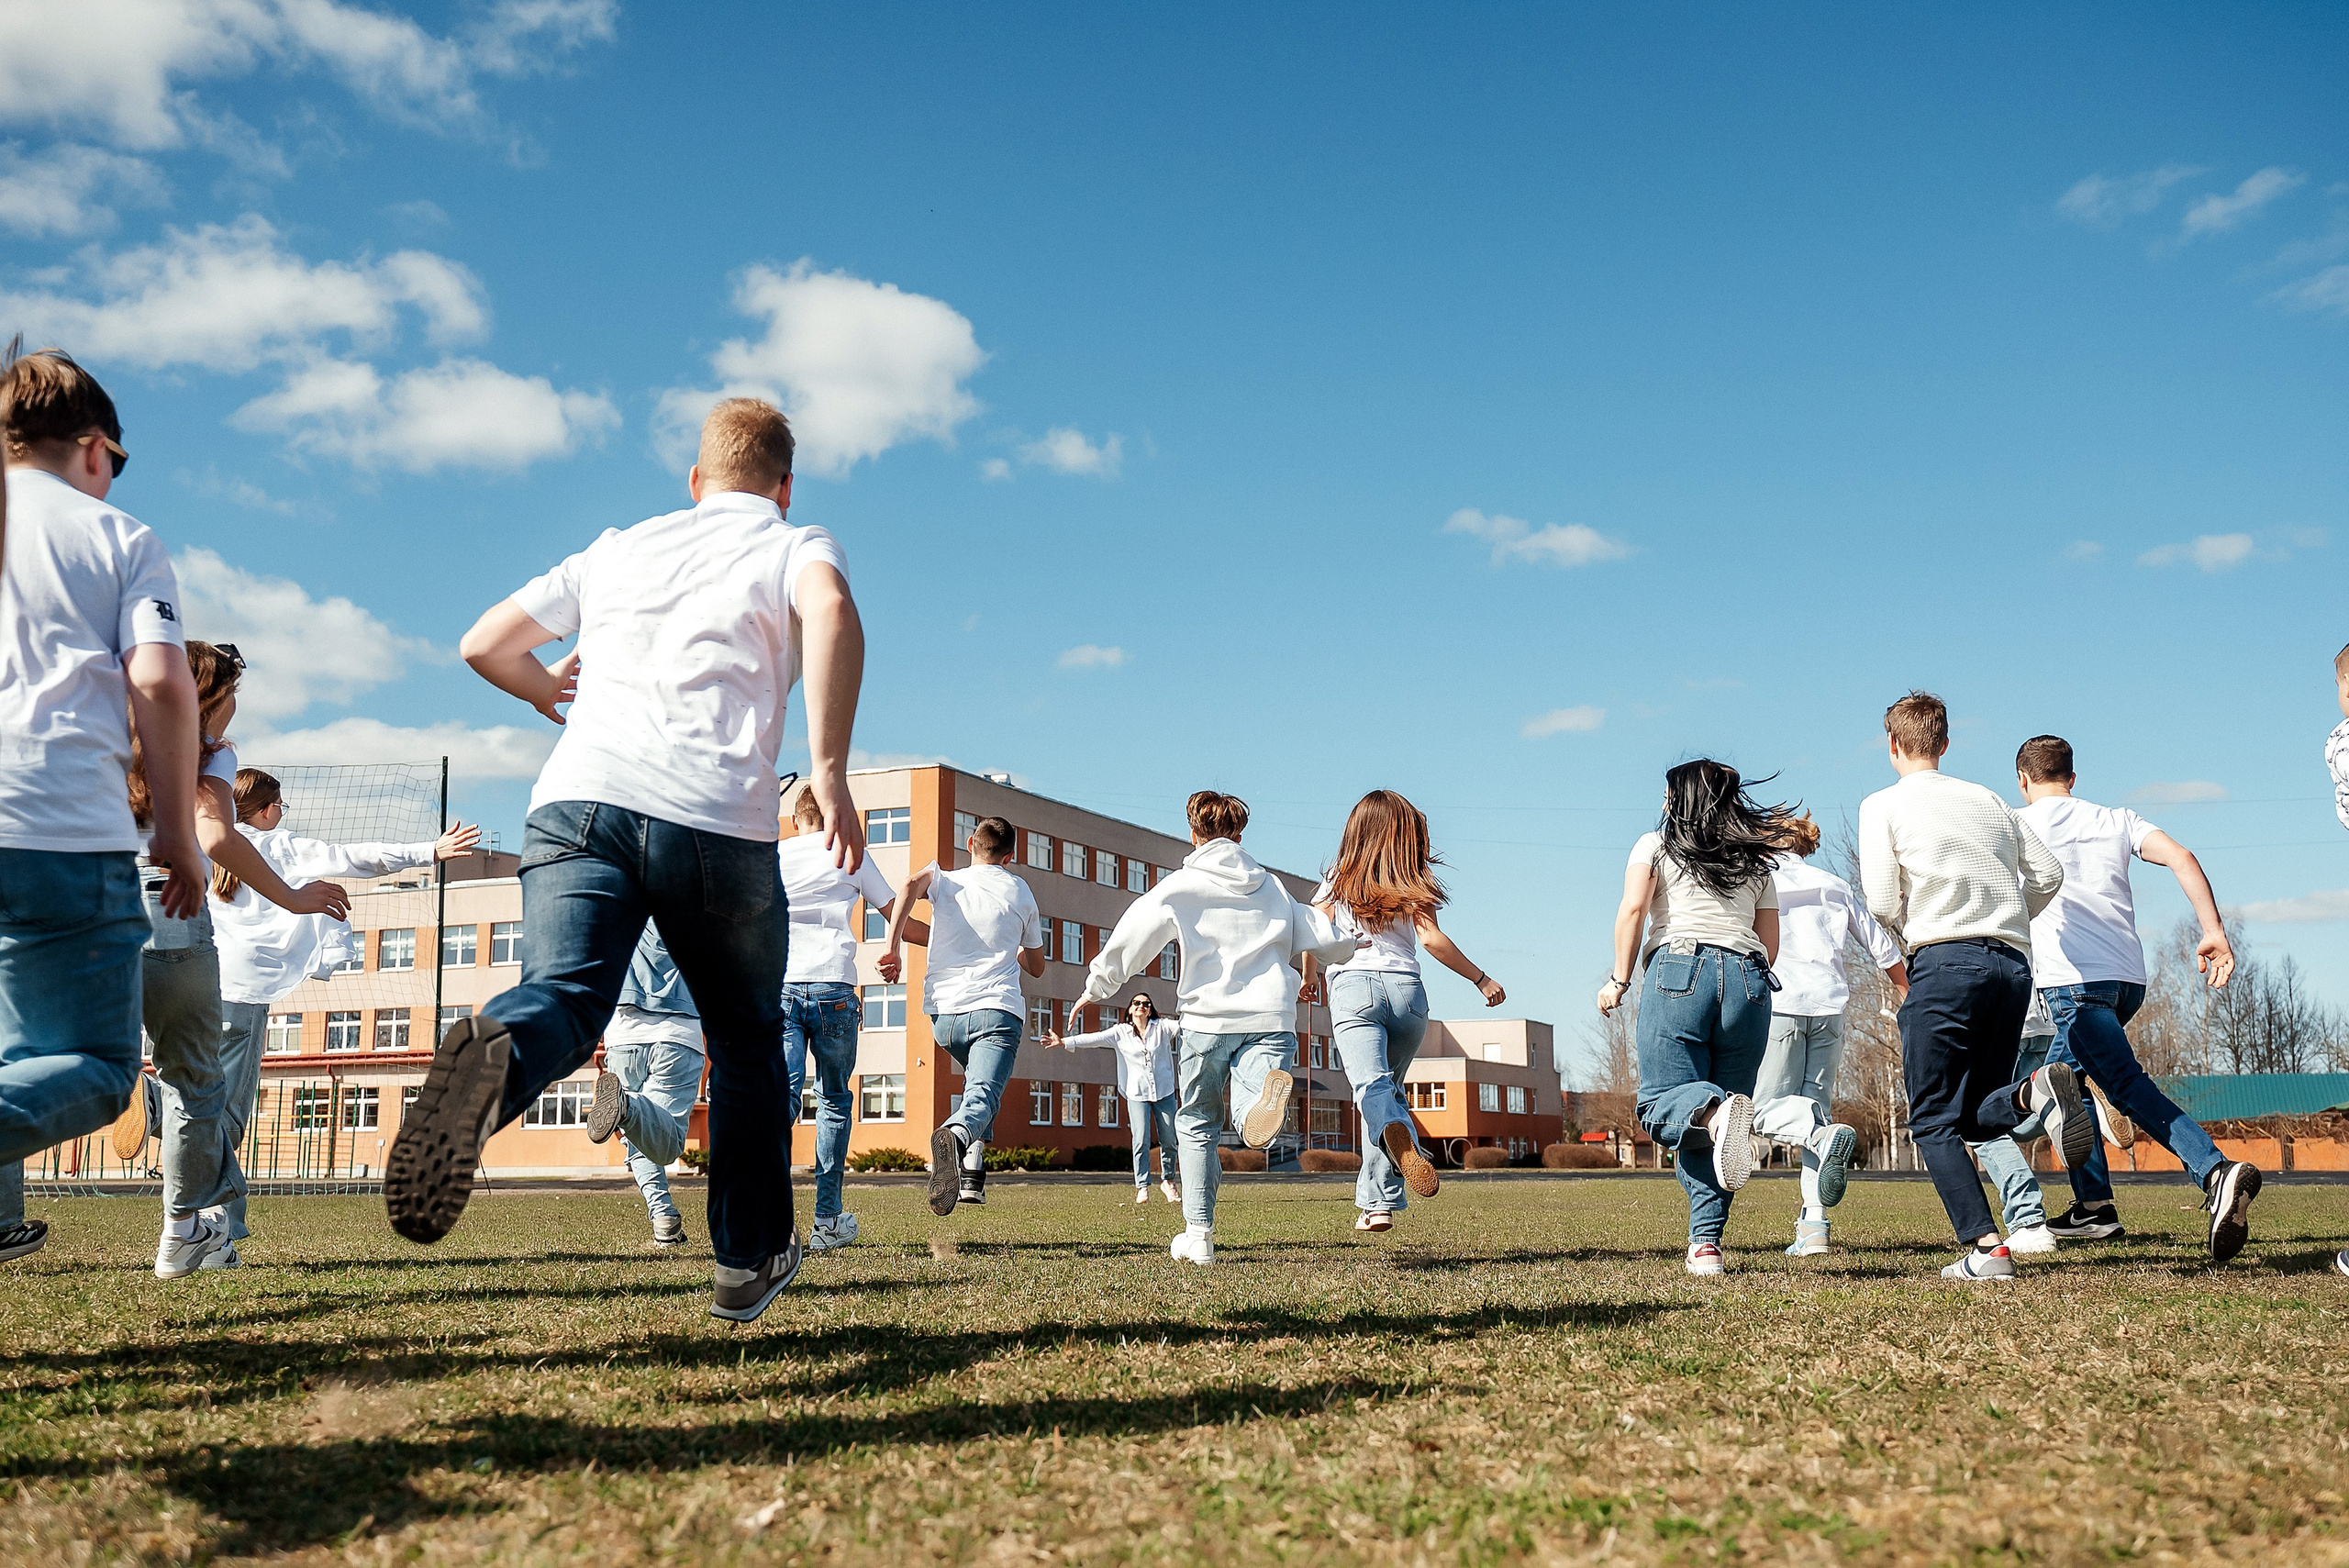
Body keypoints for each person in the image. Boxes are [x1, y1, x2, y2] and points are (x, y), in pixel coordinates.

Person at [388, 396, 866, 1327]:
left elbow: (482, 642)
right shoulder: (794, 542)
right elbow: (834, 612)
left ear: (694, 482)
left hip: (575, 801)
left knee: (566, 998)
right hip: (713, 818)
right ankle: (745, 1259)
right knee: (741, 1037)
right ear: (784, 484)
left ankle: (493, 1060)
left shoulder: (616, 545)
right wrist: (834, 772)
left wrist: (542, 690)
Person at [0, 347, 204, 1267]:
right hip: (56, 828)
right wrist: (173, 829)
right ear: (94, 447)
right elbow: (162, 681)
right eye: (115, 467)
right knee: (96, 1068)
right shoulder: (117, 538)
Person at [127, 642, 352, 1277]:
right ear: (212, 699)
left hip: (97, 904)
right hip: (173, 908)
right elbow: (217, 836)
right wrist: (295, 897)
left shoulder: (116, 734)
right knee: (196, 1083)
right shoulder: (213, 753)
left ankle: (128, 1092)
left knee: (87, 1063)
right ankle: (181, 1233)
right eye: (232, 699)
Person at [1069, 791, 1355, 1265]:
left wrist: (1096, 987)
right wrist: (1348, 947)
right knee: (1251, 1098)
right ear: (1240, 836)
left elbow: (1132, 936)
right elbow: (1317, 932)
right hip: (1271, 1018)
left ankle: (1198, 1235)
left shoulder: (1181, 886)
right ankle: (1254, 1114)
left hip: (1206, 1019)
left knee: (1198, 1120)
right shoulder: (1272, 887)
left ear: (1193, 833)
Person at [1857, 691, 2083, 1283]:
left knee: (1932, 1118)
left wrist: (1926, 930)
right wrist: (2005, 916)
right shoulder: (1987, 798)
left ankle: (1987, 1248)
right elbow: (2049, 873)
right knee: (1980, 1113)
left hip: (1945, 961)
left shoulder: (1881, 804)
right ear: (1946, 743)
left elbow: (1881, 899)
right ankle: (2034, 1094)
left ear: (1892, 744)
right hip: (2012, 965)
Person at [2014, 735, 2263, 1262]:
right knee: (2065, 1087)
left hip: (2072, 984)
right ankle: (2094, 1208)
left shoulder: (2016, 826)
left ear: (2023, 780)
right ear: (2073, 778)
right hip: (2127, 981)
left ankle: (2215, 1172)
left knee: (2094, 1087)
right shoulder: (2115, 819)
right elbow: (2181, 856)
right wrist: (2213, 929)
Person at [207, 767, 478, 1241]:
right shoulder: (279, 846)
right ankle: (221, 1220)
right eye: (280, 806)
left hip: (200, 979)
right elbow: (354, 857)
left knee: (202, 1089)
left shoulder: (208, 847)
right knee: (228, 1111)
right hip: (246, 989)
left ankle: (207, 1217)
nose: (282, 814)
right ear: (267, 810)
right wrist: (427, 851)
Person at [1599, 760, 1798, 1276]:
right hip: (1750, 978)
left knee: (1662, 1104)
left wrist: (1619, 979)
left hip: (1679, 970)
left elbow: (1633, 911)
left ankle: (1714, 1114)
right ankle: (1705, 1245)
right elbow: (1770, 942)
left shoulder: (1655, 844)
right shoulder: (1756, 860)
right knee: (1717, 1123)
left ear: (1680, 798)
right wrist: (1740, 980)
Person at [1312, 789, 1507, 1234]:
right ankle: (1378, 1204)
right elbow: (1433, 940)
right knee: (1387, 1093)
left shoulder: (1338, 878)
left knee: (1371, 1090)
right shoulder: (1413, 881)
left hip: (1354, 985)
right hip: (1408, 994)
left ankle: (1395, 1156)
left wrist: (1307, 975)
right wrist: (1481, 979)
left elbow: (1315, 931)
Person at [878, 815, 1047, 1217]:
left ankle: (971, 1176)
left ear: (970, 843)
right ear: (1010, 857)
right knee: (984, 1096)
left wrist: (893, 949)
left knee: (977, 1088)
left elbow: (905, 887)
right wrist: (1011, 947)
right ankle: (954, 1138)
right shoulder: (1021, 891)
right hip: (996, 1012)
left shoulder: (945, 879)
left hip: (946, 1019)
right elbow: (1037, 966)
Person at [1755, 813, 1907, 1257]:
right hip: (1829, 1010)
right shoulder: (1835, 885)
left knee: (1764, 1111)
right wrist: (1906, 993)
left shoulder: (1757, 881)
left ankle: (1823, 1139)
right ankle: (1815, 1226)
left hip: (1781, 1006)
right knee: (1813, 1112)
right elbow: (1881, 945)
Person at [775, 781, 901, 1251]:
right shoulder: (851, 853)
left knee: (781, 1098)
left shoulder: (777, 856)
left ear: (797, 819)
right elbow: (895, 911)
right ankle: (826, 1220)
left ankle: (771, 1215)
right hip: (834, 990)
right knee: (831, 1100)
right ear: (832, 818)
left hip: (781, 988)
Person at [587, 925, 705, 1246]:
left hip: (623, 1034)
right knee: (667, 1145)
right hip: (678, 1033)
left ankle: (664, 1219)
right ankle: (625, 1105)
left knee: (638, 1132)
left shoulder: (622, 897)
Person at [1047, 994, 1182, 1204]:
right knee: (1140, 1139)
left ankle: (1168, 1182)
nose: (1141, 1007)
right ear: (1130, 1009)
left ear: (1150, 1009)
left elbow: (1186, 1025)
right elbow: (1094, 1038)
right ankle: (1143, 1186)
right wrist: (1064, 1041)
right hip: (1137, 1094)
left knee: (1169, 1140)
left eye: (1146, 1004)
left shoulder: (1162, 1027)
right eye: (1136, 1003)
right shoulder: (1120, 1032)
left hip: (1164, 1092)